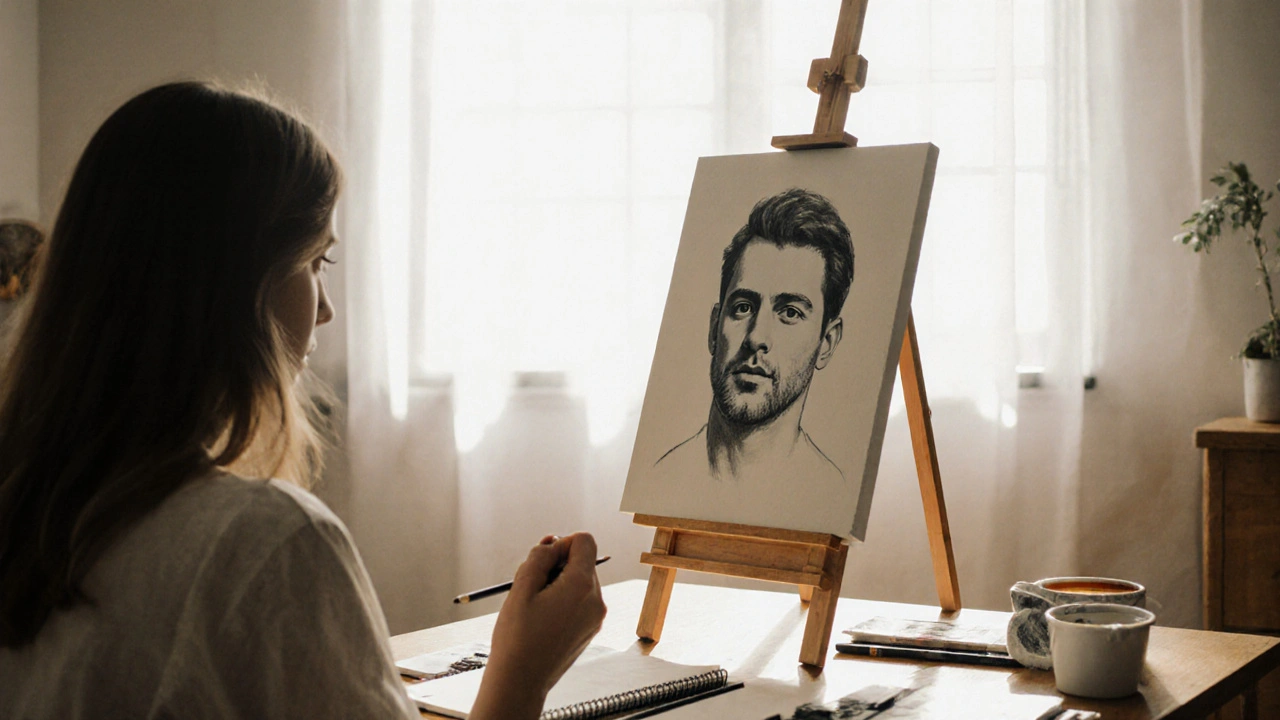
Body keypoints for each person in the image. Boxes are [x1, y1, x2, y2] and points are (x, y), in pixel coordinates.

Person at [0, 81, 605, 720]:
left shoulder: (30, 509)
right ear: (237, 282)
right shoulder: (264, 542)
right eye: (318, 261)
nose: (325, 309)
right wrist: (523, 668)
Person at [655, 188, 854, 489]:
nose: (756, 337)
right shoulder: (661, 479)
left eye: (789, 312)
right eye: (743, 307)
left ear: (826, 343)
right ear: (714, 327)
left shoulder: (832, 491)